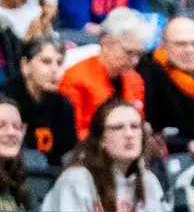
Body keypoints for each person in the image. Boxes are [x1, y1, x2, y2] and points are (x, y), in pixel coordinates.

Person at [43, 98, 165, 212]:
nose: (129, 134)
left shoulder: (149, 182)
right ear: (101, 139)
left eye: (135, 127)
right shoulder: (77, 180)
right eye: (118, 127)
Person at [59, 8, 149, 138]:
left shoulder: (135, 80)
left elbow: (138, 124)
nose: (135, 61)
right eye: (129, 52)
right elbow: (73, 133)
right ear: (104, 43)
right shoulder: (74, 79)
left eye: (138, 54)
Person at [142, 16, 194, 148]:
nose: (189, 50)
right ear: (163, 46)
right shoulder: (149, 73)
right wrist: (185, 144)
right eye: (180, 44)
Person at [2, 35, 78, 165]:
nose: (55, 70)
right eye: (46, 62)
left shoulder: (63, 106)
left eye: (59, 63)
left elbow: (69, 152)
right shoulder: (4, 102)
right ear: (25, 65)